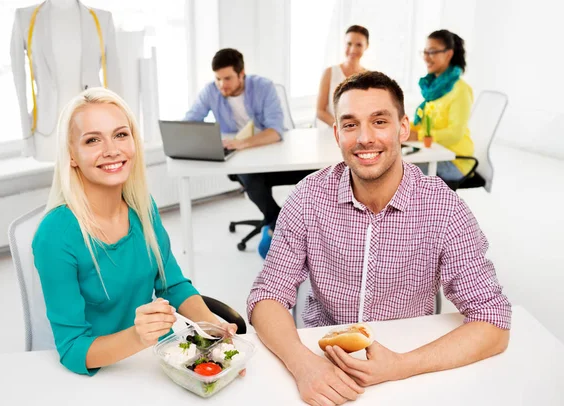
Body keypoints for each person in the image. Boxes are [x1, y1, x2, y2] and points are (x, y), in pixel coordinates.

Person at [247, 71, 511, 405]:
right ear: (337, 134)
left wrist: (402, 365)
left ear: (403, 128)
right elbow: (266, 295)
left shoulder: (443, 207)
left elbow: (493, 321)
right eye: (351, 124)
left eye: (379, 121)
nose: (364, 138)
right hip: (321, 357)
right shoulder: (307, 197)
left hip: (409, 358)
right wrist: (302, 364)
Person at [32, 88, 237, 375]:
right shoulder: (54, 235)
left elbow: (172, 284)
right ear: (72, 156)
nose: (112, 150)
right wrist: (138, 336)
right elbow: (72, 348)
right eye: (92, 140)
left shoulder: (142, 206)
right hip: (103, 371)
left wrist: (212, 328)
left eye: (120, 134)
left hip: (155, 361)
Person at [184, 48, 313, 258]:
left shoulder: (263, 87)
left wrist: (242, 143)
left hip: (275, 154)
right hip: (243, 161)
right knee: (251, 179)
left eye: (227, 78)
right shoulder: (211, 91)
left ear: (241, 73)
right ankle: (280, 225)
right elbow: (189, 123)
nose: (221, 85)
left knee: (311, 173)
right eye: (217, 79)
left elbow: (275, 131)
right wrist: (208, 139)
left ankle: (283, 226)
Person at [409, 29, 474, 184]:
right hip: (434, 152)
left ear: (448, 54)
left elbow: (454, 133)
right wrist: (402, 130)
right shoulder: (434, 90)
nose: (426, 57)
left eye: (431, 52)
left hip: (455, 161)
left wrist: (418, 137)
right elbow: (425, 124)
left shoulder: (460, 90)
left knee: (397, 172)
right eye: (424, 52)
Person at [317, 25, 369, 128]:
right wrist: (340, 127)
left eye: (358, 45)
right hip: (333, 131)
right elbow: (320, 111)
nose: (353, 49)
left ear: (366, 46)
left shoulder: (369, 77)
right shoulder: (330, 73)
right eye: (349, 44)